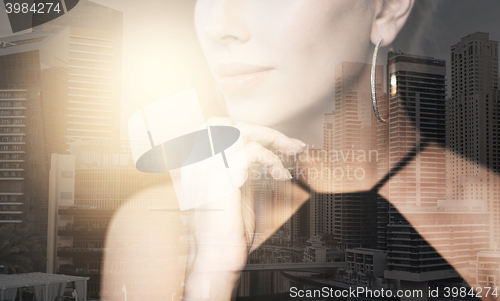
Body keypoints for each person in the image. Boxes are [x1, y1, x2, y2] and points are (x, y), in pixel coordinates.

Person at [102, 1, 497, 300]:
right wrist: (209, 275)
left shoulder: (487, 219)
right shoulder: (158, 229)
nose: (217, 24)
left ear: (387, 8)